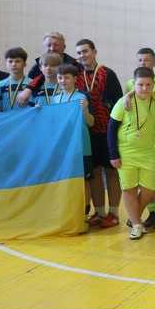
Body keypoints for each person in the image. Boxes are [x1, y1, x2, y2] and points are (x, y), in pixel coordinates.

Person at [109, 67, 155, 240]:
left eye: (148, 85)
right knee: (129, 188)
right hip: (126, 153)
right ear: (134, 84)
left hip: (147, 152)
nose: (145, 88)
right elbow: (111, 128)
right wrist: (113, 154)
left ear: (153, 85)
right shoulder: (124, 102)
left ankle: (134, 217)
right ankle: (136, 224)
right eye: (140, 85)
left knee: (149, 189)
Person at [74, 39, 125, 228]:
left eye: (85, 51)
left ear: (94, 52)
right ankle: (100, 212)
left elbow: (119, 102)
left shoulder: (107, 74)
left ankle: (114, 213)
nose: (82, 55)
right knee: (94, 173)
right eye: (79, 53)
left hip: (106, 131)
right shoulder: (76, 75)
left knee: (111, 172)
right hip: (87, 132)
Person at [46, 63, 94, 207]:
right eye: (60, 78)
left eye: (66, 77)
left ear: (75, 79)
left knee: (84, 180)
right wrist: (41, 112)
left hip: (82, 146)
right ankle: (68, 208)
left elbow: (91, 123)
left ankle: (85, 209)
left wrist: (84, 110)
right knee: (66, 179)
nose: (62, 81)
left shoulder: (82, 97)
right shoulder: (55, 99)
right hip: (63, 147)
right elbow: (52, 124)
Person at [0, 47, 32, 112]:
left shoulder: (32, 84)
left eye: (17, 61)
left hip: (27, 118)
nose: (13, 64)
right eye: (10, 61)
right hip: (6, 118)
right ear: (6, 64)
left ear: (24, 64)